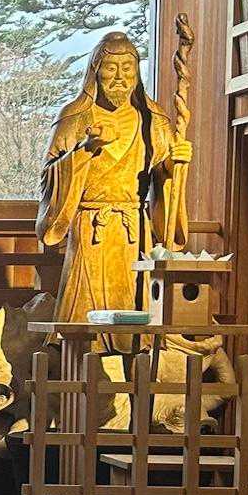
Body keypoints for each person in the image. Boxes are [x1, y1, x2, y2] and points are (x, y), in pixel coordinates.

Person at [36, 31, 191, 341]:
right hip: (91, 228)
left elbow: (162, 177)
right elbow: (49, 175)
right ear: (95, 71)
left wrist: (173, 166)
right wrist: (86, 148)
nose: (119, 77)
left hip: (134, 230)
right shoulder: (75, 116)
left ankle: (136, 366)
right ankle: (78, 365)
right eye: (110, 68)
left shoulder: (154, 119)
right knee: (82, 325)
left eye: (127, 68)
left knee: (136, 320)